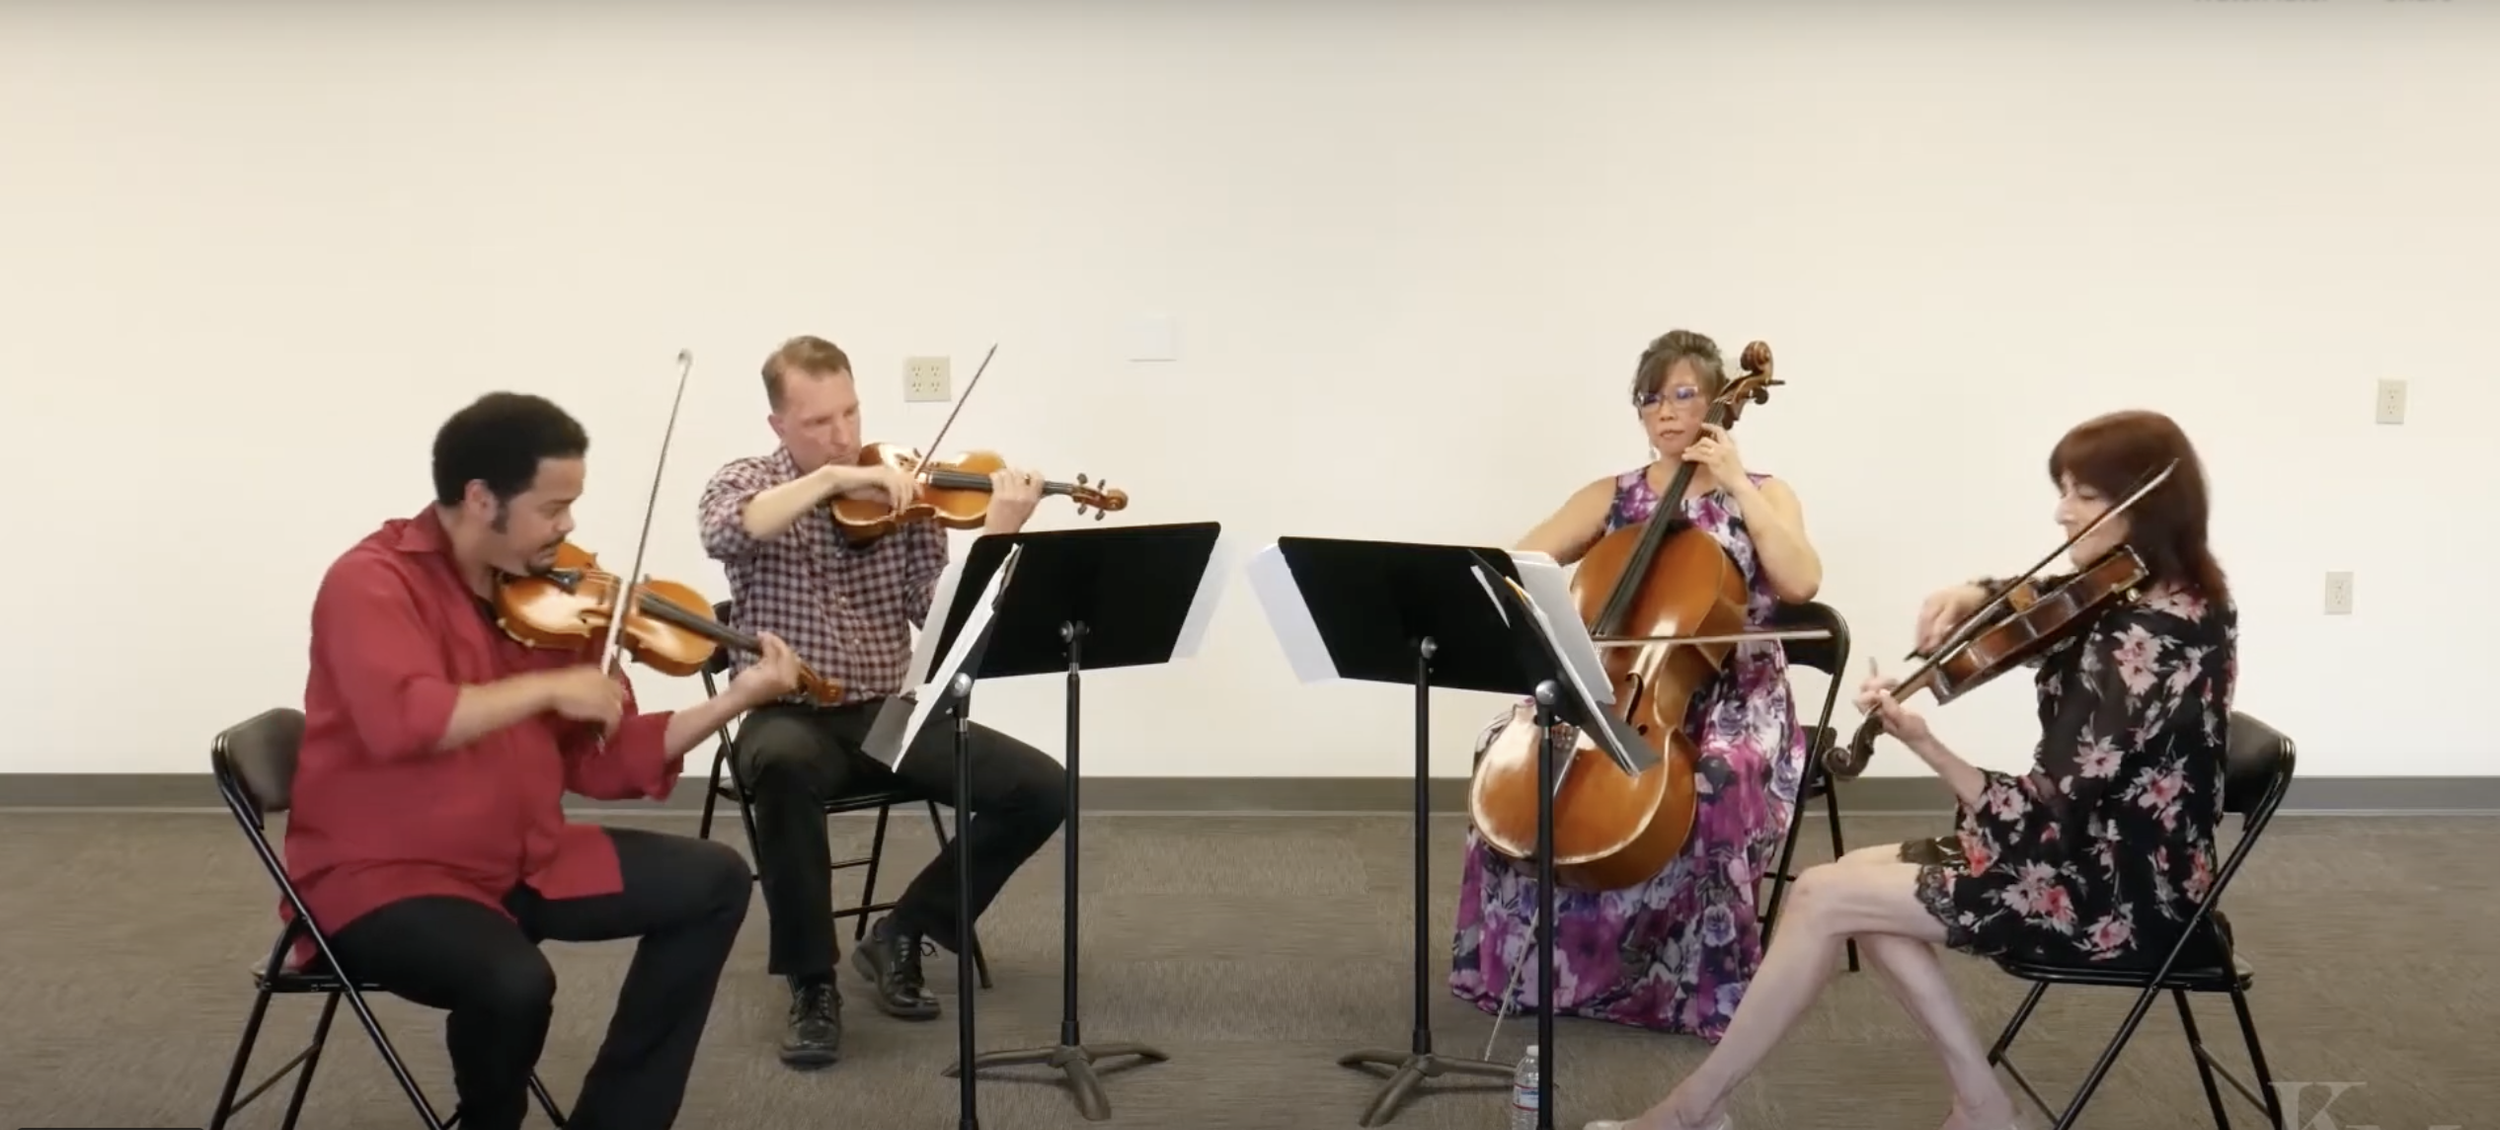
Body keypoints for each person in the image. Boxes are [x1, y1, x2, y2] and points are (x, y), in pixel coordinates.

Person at [1582, 408, 2238, 1130]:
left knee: (1827, 897)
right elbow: (2050, 600)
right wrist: (1975, 590)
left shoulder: (2142, 639)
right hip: (2120, 854)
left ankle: (1690, 1112)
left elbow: (2048, 811)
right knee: (1854, 883)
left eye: (2083, 496)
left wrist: (1924, 744)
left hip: (2115, 894)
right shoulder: (2172, 592)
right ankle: (1982, 1105)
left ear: (2146, 499)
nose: (2061, 512)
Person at [285, 392, 802, 1130]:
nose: (568, 527)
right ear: (480, 498)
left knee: (714, 880)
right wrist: (548, 685)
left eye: (573, 506)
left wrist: (737, 699)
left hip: (520, 859)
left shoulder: (550, 597)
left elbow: (603, 760)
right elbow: (406, 718)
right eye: (553, 507)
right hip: (385, 880)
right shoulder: (370, 582)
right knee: (513, 981)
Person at [697, 334, 1069, 1069]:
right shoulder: (747, 481)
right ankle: (811, 984)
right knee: (776, 766)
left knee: (1042, 788)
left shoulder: (905, 493)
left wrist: (997, 536)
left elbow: (940, 618)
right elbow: (723, 531)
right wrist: (829, 479)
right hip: (791, 714)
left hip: (887, 716)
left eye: (850, 414)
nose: (843, 436)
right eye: (819, 424)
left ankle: (904, 930)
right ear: (779, 426)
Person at [1448, 329, 1824, 1041]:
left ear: (1718, 402)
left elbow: (1802, 580)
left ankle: (1692, 984)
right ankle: (1528, 970)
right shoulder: (1612, 496)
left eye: (1683, 394)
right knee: (1503, 749)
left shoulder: (1767, 492)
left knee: (1715, 775)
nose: (1666, 412)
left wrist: (1739, 484)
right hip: (1624, 684)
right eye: (1650, 399)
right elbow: (1516, 564)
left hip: (1737, 694)